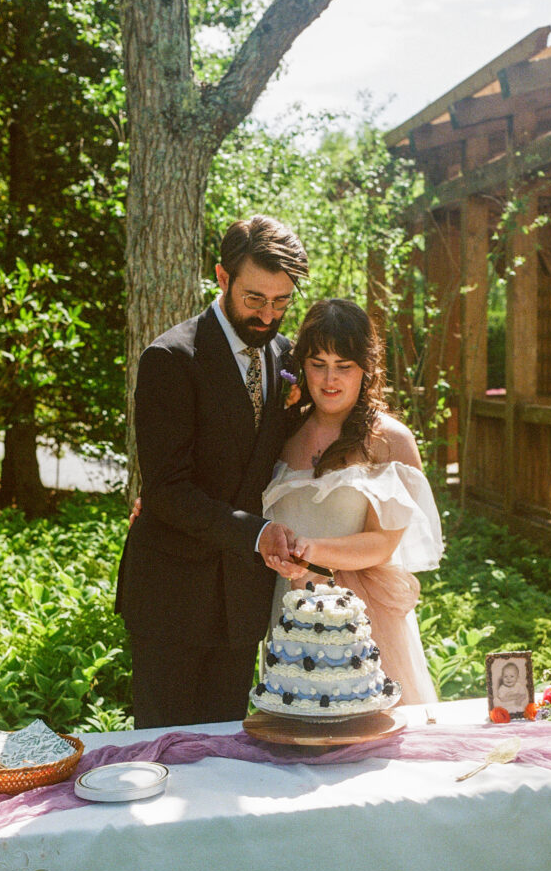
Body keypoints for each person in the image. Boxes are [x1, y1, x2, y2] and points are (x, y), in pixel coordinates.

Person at [115, 215, 309, 728]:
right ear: (222, 278)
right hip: (171, 596)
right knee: (166, 756)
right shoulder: (171, 358)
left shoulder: (288, 357)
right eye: (255, 299)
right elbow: (168, 491)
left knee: (225, 755)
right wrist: (259, 532)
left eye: (282, 301)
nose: (269, 315)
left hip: (242, 600)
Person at [262, 298, 443, 705]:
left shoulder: (389, 441)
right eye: (318, 363)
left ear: (367, 368)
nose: (330, 379)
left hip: (364, 620)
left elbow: (383, 543)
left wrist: (310, 551)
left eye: (344, 366)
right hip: (289, 617)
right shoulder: (280, 432)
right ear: (301, 364)